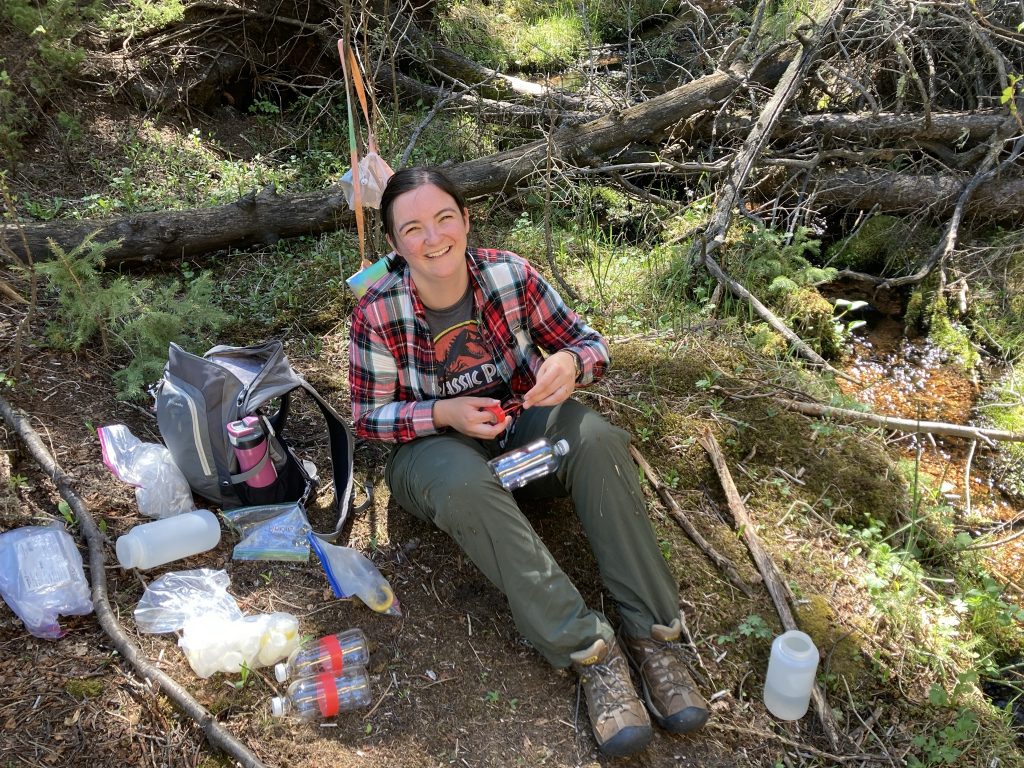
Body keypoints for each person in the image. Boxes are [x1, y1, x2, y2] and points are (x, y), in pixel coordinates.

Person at [348, 167, 709, 756]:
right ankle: (590, 651)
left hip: (520, 441)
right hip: (434, 459)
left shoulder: (508, 274)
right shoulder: (378, 313)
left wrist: (570, 363)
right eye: (412, 228)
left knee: (598, 440)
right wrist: (444, 415)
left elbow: (588, 343)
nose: (433, 237)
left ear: (466, 220)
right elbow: (367, 416)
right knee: (466, 486)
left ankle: (653, 635)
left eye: (444, 218)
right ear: (394, 244)